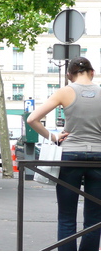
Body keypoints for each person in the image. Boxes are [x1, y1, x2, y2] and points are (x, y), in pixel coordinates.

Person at [27, 56, 101, 250]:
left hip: (70, 156)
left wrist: (53, 137)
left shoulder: (65, 92)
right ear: (92, 72)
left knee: (66, 215)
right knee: (95, 218)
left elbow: (32, 119)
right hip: (99, 158)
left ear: (69, 75)